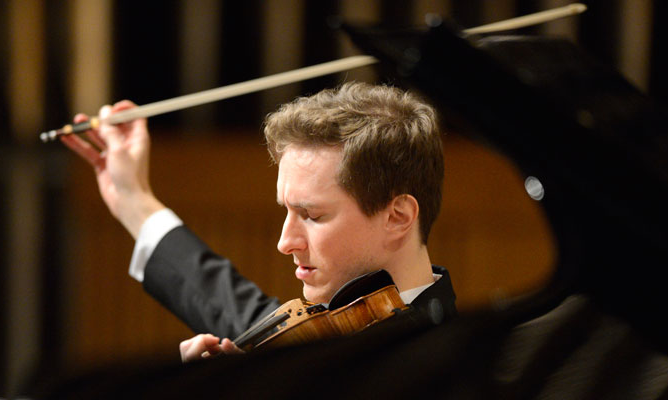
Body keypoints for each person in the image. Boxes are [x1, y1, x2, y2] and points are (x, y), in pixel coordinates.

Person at [61, 82, 457, 362]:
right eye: (287, 210)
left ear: (397, 217)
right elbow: (222, 299)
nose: (285, 242)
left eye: (312, 215)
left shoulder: (446, 367)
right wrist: (131, 198)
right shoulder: (312, 334)